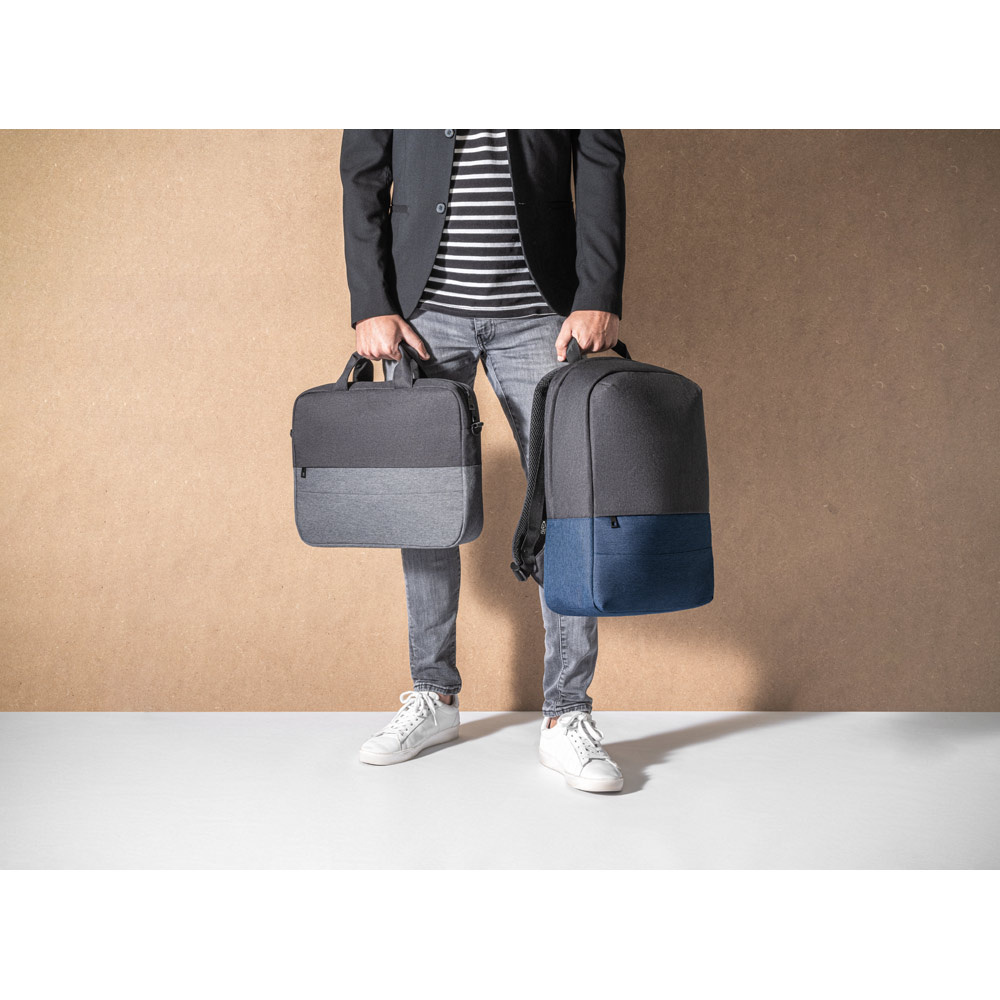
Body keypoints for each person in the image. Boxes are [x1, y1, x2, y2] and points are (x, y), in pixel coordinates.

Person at [339, 130, 627, 793]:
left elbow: (600, 158)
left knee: (569, 506)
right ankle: (433, 694)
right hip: (423, 316)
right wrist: (371, 302)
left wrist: (599, 290)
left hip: (543, 312)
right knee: (425, 509)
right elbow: (362, 173)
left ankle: (567, 713)